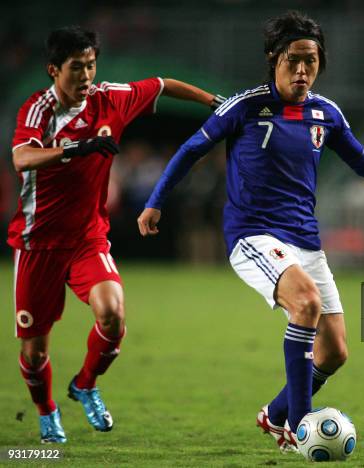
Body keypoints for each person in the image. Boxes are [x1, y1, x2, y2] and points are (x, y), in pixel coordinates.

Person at [137, 10, 364, 453]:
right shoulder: (246, 106)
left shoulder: (325, 112)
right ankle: (298, 422)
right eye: (294, 59)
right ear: (274, 59)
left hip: (306, 241)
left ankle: (273, 415)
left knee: (335, 353)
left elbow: (363, 161)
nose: (303, 69)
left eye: (311, 60)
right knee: (306, 303)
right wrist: (155, 201)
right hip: (253, 235)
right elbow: (192, 148)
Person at [9, 25, 224, 444]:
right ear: (54, 69)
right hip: (39, 244)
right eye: (76, 67)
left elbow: (162, 85)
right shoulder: (39, 110)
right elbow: (22, 158)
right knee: (34, 353)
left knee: (113, 313)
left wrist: (214, 102)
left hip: (88, 239)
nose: (86, 75)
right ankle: (46, 409)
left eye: (91, 65)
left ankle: (86, 383)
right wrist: (76, 149)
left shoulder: (110, 98)